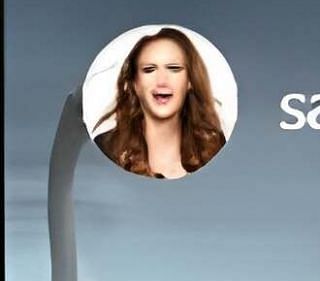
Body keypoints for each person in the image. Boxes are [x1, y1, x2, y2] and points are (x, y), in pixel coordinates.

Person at [92, 30, 226, 178]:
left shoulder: (215, 147)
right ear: (135, 83)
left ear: (190, 81)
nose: (162, 80)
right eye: (149, 70)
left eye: (174, 68)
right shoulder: (106, 147)